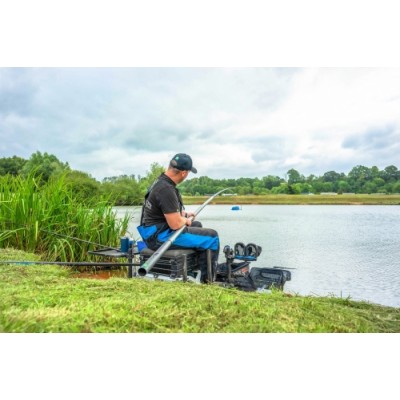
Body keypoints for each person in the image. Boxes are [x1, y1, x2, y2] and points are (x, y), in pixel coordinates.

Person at [137, 153, 219, 282]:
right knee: (212, 237)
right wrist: (185, 220)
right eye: (188, 173)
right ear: (183, 173)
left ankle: (192, 271)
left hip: (152, 232)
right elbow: (175, 224)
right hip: (158, 237)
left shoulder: (160, 182)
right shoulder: (166, 189)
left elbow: (162, 211)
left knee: (197, 225)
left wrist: (184, 215)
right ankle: (207, 282)